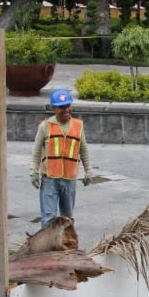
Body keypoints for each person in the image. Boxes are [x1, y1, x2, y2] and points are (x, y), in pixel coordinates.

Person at [30, 89, 92, 226]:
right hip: (49, 179)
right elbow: (36, 151)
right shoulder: (45, 126)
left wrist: (88, 171)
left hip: (69, 179)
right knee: (48, 218)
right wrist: (34, 172)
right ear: (54, 108)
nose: (66, 110)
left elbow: (84, 150)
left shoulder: (78, 126)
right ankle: (48, 247)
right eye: (62, 107)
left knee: (67, 218)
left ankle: (65, 246)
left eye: (68, 106)